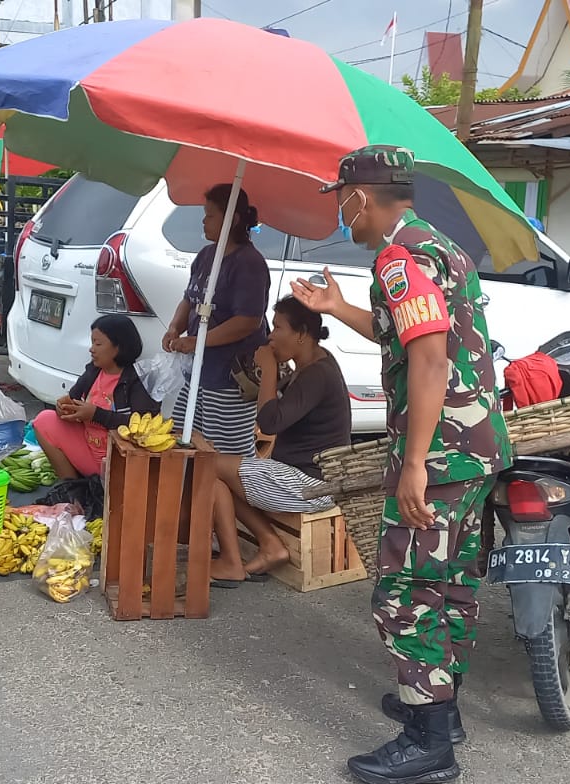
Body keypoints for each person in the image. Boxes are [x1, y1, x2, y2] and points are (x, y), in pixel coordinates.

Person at [291, 146, 510, 784]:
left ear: (361, 196)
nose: (340, 212)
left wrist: (413, 462)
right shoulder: (435, 244)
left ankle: (427, 740)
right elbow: (409, 336)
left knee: (409, 590)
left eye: (341, 199)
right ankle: (441, 703)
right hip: (475, 448)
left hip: (440, 454)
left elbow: (430, 362)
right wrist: (336, 309)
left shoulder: (398, 256)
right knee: (452, 582)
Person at [208, 296, 352, 586]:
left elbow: (269, 422)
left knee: (208, 464)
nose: (270, 335)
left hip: (311, 485)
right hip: (297, 474)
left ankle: (249, 555)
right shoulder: (309, 364)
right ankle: (262, 548)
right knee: (213, 477)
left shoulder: (318, 374)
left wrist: (269, 369)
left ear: (300, 334)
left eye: (277, 327)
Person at [160, 184, 271, 458]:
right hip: (197, 374)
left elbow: (248, 320)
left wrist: (197, 342)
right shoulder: (206, 256)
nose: (203, 221)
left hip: (228, 378)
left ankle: (229, 500)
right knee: (185, 441)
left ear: (231, 220)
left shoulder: (249, 263)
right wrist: (175, 327)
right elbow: (190, 299)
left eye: (210, 215)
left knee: (225, 454)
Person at [32, 315, 159, 481]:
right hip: (88, 446)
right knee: (44, 420)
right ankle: (74, 489)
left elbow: (144, 424)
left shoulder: (137, 380)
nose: (91, 349)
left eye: (98, 344)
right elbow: (73, 398)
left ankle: (100, 487)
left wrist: (96, 415)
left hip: (118, 458)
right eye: (92, 342)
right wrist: (63, 406)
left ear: (118, 348)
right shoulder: (94, 371)